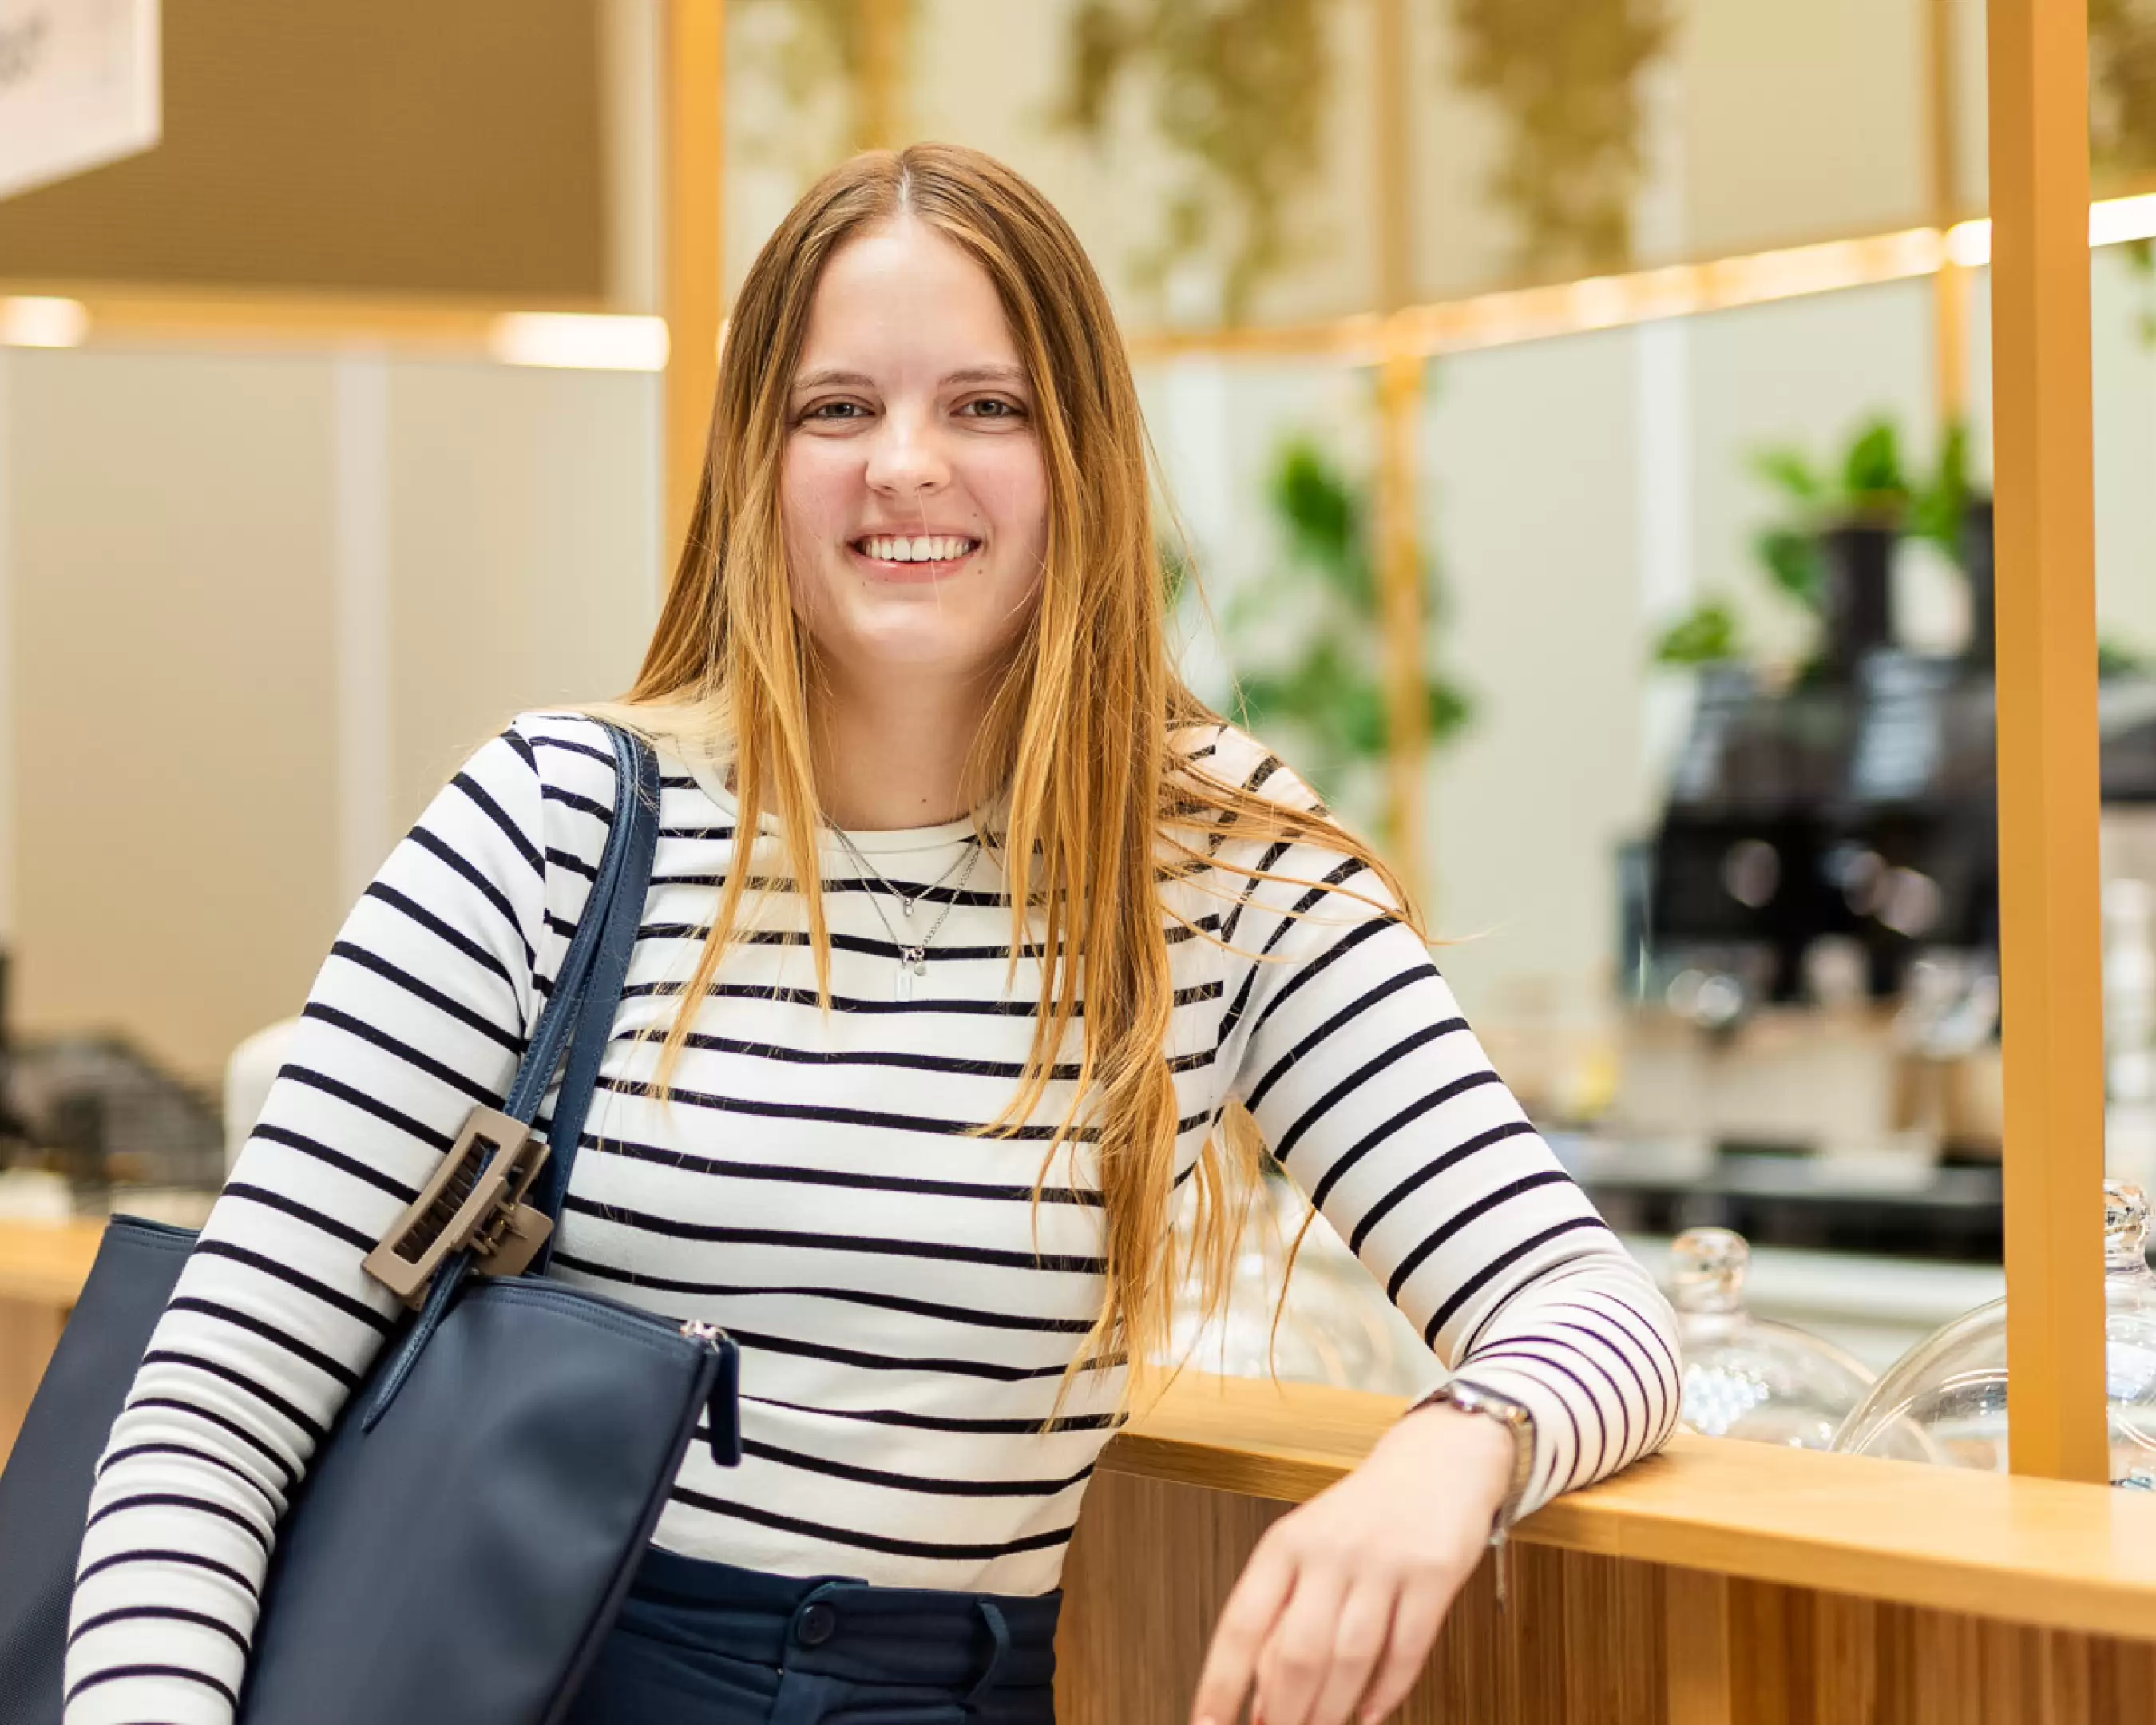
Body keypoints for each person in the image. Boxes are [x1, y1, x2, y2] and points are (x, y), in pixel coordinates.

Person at [64, 143, 1679, 1725]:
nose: (905, 464)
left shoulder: (1220, 872)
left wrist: (1449, 1455)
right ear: (756, 464)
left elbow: (1590, 1306)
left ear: (1082, 457)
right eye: (837, 408)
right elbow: (209, 1413)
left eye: (987, 405)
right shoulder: (550, 825)